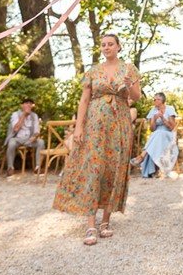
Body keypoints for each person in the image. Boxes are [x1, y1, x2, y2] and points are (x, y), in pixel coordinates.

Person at [53, 33, 141, 245]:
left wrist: (129, 86)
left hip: (119, 124)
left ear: (119, 46)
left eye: (111, 44)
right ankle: (91, 224)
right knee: (93, 168)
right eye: (103, 45)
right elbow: (84, 100)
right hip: (95, 123)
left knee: (113, 168)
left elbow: (136, 97)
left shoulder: (129, 69)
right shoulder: (93, 71)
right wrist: (78, 127)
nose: (106, 47)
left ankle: (106, 220)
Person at [134, 92, 178, 178]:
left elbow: (171, 127)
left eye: (155, 99)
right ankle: (152, 170)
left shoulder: (169, 109)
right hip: (157, 136)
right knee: (156, 133)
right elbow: (152, 129)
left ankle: (142, 155)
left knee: (157, 134)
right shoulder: (153, 111)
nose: (153, 101)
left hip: (168, 134)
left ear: (160, 100)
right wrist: (154, 119)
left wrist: (162, 118)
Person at [5, 97, 45, 175]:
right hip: (17, 138)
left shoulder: (35, 116)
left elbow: (37, 131)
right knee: (11, 143)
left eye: (30, 104)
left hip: (29, 139)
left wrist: (35, 137)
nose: (29, 105)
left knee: (41, 142)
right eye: (27, 103)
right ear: (22, 106)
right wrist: (24, 115)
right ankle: (10, 167)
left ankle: (38, 168)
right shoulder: (15, 114)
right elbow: (16, 129)